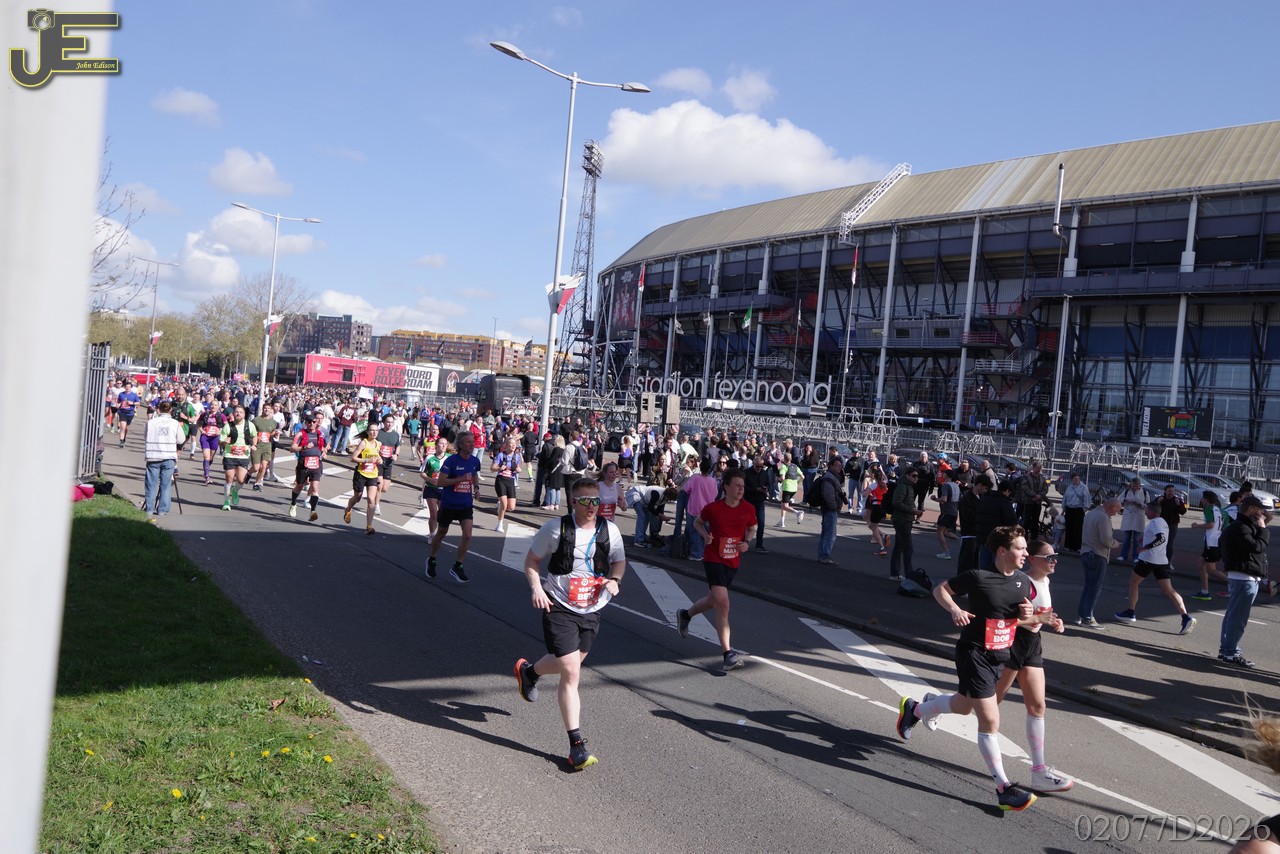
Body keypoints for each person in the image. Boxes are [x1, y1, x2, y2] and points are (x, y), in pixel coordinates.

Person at [895, 525, 1049, 812]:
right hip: (973, 653)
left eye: (1026, 548)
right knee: (990, 719)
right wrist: (954, 609)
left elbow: (1021, 616)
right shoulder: (979, 577)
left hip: (999, 656)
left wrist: (1031, 614)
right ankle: (1004, 789)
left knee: (964, 706)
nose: (1025, 553)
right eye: (1020, 548)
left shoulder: (1022, 582)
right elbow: (940, 589)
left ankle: (915, 709)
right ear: (1002, 551)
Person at [513, 478, 627, 771]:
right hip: (558, 605)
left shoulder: (610, 530)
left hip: (592, 607)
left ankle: (529, 672)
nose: (592, 506)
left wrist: (615, 580)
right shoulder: (555, 529)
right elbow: (531, 561)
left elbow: (618, 561)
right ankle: (577, 745)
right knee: (571, 671)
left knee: (571, 662)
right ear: (573, 502)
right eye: (586, 501)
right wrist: (537, 589)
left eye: (596, 500)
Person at [993, 538, 1074, 794]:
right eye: (1049, 557)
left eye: (1055, 557)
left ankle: (1039, 772)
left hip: (1032, 644)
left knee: (1038, 706)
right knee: (988, 702)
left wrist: (1054, 621)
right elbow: (1003, 621)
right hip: (1012, 644)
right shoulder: (1023, 584)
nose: (1054, 561)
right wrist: (1040, 618)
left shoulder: (1045, 582)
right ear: (1032, 559)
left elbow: (1040, 616)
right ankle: (922, 708)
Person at [677, 470, 758, 671]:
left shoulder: (748, 508)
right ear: (726, 487)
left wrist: (747, 542)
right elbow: (697, 522)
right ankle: (727, 654)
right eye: (737, 485)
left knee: (713, 601)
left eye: (742, 486)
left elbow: (752, 527)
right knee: (724, 604)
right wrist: (706, 536)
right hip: (713, 559)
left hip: (733, 561)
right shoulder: (714, 509)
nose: (741, 489)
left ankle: (685, 615)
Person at [1113, 500, 1197, 635]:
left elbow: (1161, 538)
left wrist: (1145, 547)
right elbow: (1159, 537)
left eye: (1147, 510)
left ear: (1152, 512)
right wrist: (1145, 540)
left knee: (1133, 583)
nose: (1145, 512)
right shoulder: (1162, 522)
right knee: (1169, 590)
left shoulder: (1155, 523)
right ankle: (1186, 617)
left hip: (1149, 559)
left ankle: (1130, 612)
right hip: (1161, 560)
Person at [1217, 495, 1271, 668]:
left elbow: (1222, 543)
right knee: (1238, 618)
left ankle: (1226, 649)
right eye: (1260, 509)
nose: (1262, 512)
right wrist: (1263, 529)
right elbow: (1257, 547)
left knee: (1232, 615)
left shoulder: (1239, 526)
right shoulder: (1241, 527)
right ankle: (1231, 652)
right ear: (1251, 510)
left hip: (1241, 576)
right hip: (1244, 577)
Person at [426, 430, 481, 582]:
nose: (472, 444)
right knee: (441, 532)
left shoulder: (475, 461)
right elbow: (441, 482)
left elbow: (474, 475)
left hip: (465, 505)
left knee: (467, 535)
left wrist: (476, 488)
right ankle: (432, 559)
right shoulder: (451, 461)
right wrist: (460, 478)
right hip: (449, 504)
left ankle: (458, 566)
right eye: (468, 442)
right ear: (461, 445)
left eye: (473, 442)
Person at [1076, 497, 1121, 627]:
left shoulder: (1090, 514)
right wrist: (1116, 544)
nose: (1115, 514)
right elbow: (1106, 540)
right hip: (1097, 554)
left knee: (1088, 586)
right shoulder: (1104, 518)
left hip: (1086, 552)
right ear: (1111, 507)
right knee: (1094, 587)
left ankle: (1082, 614)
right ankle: (1087, 617)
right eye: (1117, 510)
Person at [142, 400, 180, 521]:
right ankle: (162, 510)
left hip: (153, 455)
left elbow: (145, 436)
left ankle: (149, 508)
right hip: (168, 456)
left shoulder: (151, 422)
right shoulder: (175, 423)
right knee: (166, 484)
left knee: (151, 484)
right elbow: (180, 439)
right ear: (170, 410)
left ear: (159, 409)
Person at [343, 422, 383, 536]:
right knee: (357, 497)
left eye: (376, 430)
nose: (374, 432)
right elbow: (353, 458)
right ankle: (348, 509)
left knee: (371, 500)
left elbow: (378, 456)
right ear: (367, 432)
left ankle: (369, 526)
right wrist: (366, 460)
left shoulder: (379, 444)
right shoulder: (363, 443)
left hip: (373, 474)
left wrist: (380, 460)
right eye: (372, 430)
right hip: (361, 473)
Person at [1190, 491, 1230, 600]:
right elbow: (1225, 527)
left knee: (1211, 569)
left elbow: (1211, 524)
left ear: (1206, 499)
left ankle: (1234, 583)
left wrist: (1197, 525)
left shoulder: (1208, 509)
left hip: (1212, 542)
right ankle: (1205, 591)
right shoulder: (1222, 511)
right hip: (1217, 541)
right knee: (1201, 564)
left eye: (1203, 498)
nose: (1201, 500)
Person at [287, 413, 326, 522]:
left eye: (314, 422)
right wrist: (304, 447)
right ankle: (293, 504)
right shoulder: (301, 434)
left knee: (315, 487)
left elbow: (323, 447)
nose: (311, 424)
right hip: (303, 464)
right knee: (299, 486)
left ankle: (313, 511)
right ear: (306, 423)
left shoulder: (320, 434)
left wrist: (324, 451)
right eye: (309, 422)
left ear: (316, 423)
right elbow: (292, 448)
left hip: (316, 464)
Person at [218, 406, 256, 511]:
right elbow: (220, 441)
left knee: (241, 480)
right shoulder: (228, 426)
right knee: (229, 479)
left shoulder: (250, 425)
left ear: (244, 414)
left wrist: (254, 444)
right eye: (236, 412)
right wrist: (224, 442)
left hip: (243, 455)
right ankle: (226, 502)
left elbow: (254, 435)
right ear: (233, 414)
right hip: (230, 455)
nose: (238, 414)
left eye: (241, 412)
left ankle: (235, 491)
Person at [888, 466, 922, 581]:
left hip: (905, 519)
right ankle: (909, 576)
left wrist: (914, 511)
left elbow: (906, 502)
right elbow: (896, 502)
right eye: (913, 476)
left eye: (917, 476)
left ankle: (895, 574)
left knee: (899, 547)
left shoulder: (909, 486)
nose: (916, 478)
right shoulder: (903, 486)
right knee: (908, 548)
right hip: (902, 520)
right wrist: (912, 510)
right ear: (907, 475)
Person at [682, 458, 720, 561]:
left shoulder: (695, 478)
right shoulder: (713, 481)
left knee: (694, 531)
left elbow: (686, 489)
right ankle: (706, 552)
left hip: (694, 508)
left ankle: (697, 553)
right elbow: (716, 494)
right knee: (706, 532)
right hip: (708, 510)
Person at [956, 474, 990, 572]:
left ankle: (969, 580)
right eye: (985, 488)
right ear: (979, 485)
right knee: (966, 563)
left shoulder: (980, 497)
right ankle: (962, 580)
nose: (985, 491)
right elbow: (969, 517)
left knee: (974, 564)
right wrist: (983, 515)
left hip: (976, 534)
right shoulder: (967, 499)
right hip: (969, 534)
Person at [815, 457, 846, 565]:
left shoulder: (833, 477)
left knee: (826, 532)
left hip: (830, 508)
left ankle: (822, 555)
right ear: (831, 466)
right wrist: (834, 506)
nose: (839, 468)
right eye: (837, 465)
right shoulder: (829, 477)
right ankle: (824, 555)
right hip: (830, 509)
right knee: (830, 534)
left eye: (840, 466)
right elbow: (828, 495)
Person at [490, 435, 522, 533]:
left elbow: (519, 468)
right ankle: (499, 524)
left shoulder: (517, 457)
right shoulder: (501, 455)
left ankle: (500, 506)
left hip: (511, 481)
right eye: (510, 444)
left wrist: (518, 470)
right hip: (501, 480)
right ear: (506, 445)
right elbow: (492, 468)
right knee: (504, 505)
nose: (512, 446)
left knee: (511, 507)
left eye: (514, 444)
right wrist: (499, 468)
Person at [419, 437, 449, 537]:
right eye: (441, 443)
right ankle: (432, 534)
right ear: (436, 445)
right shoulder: (429, 458)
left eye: (445, 444)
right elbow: (422, 473)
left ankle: (439, 534)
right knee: (433, 513)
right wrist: (430, 479)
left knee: (442, 514)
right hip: (431, 488)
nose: (444, 446)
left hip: (444, 490)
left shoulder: (450, 458)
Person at [743, 451, 770, 553]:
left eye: (761, 466)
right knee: (746, 523)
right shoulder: (746, 473)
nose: (759, 468)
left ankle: (759, 545)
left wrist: (766, 488)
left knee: (761, 523)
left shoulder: (764, 473)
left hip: (760, 501)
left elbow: (768, 484)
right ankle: (743, 542)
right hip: (749, 501)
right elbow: (744, 487)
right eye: (757, 466)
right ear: (753, 464)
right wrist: (755, 489)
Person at [1015, 460, 1050, 540]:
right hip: (1028, 502)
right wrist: (1034, 495)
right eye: (1038, 468)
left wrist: (1039, 496)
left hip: (1038, 503)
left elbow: (1045, 488)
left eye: (1040, 468)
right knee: (1026, 520)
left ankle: (1034, 537)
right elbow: (1024, 487)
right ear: (1033, 468)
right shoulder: (1026, 477)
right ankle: (1025, 536)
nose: (1039, 470)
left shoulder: (1042, 478)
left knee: (1035, 520)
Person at [249, 405, 280, 491]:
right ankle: (249, 473)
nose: (267, 410)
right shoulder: (256, 420)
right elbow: (249, 432)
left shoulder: (274, 422)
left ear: (271, 410)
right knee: (256, 467)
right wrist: (255, 437)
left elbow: (273, 433)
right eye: (265, 408)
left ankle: (257, 483)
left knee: (263, 466)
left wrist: (275, 434)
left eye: (268, 408)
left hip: (267, 446)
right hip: (257, 446)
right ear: (262, 409)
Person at [1117, 477, 1147, 564]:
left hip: (1138, 517)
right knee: (1126, 539)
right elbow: (1118, 499)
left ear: (1139, 485)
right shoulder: (1127, 491)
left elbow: (1148, 505)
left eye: (1137, 486)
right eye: (1133, 486)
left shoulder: (1144, 492)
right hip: (1128, 517)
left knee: (1137, 540)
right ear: (1131, 485)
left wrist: (1140, 504)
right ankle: (1123, 555)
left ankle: (1136, 556)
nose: (1135, 487)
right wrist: (1125, 500)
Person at [1158, 484, 1188, 569]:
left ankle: (1168, 562)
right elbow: (1153, 508)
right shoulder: (1161, 499)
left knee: (1170, 543)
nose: (1171, 493)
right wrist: (1158, 502)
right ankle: (1158, 560)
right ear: (1165, 491)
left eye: (1173, 491)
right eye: (1169, 491)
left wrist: (1179, 505)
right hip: (1161, 523)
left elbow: (1183, 512)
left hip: (1172, 524)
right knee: (1160, 542)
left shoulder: (1177, 500)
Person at [933, 468, 960, 559]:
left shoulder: (946, 485)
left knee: (939, 531)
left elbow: (944, 499)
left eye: (944, 473)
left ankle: (946, 552)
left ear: (946, 475)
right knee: (945, 531)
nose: (943, 475)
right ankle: (960, 540)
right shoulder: (956, 486)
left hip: (947, 511)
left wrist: (935, 499)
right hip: (954, 512)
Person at [864, 466, 891, 556]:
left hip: (876, 507)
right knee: (872, 525)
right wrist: (882, 470)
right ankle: (884, 536)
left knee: (874, 528)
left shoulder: (874, 485)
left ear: (874, 477)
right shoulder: (884, 483)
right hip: (883, 507)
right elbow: (886, 478)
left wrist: (864, 491)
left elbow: (864, 494)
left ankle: (882, 547)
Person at [1060, 474, 1090, 553]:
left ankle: (1077, 547)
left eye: (1078, 478)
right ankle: (1068, 545)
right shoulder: (1069, 487)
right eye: (1075, 479)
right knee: (1069, 528)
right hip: (1069, 509)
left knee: (1078, 529)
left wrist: (1084, 509)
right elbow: (1065, 498)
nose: (1076, 480)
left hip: (1078, 509)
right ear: (1071, 480)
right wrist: (1063, 509)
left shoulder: (1084, 487)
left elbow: (1087, 499)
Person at [775, 453, 805, 528]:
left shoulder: (784, 467)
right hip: (794, 488)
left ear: (784, 459)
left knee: (784, 506)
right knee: (783, 504)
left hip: (787, 488)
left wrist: (777, 479)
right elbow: (802, 477)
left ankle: (798, 513)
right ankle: (782, 522)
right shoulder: (795, 466)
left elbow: (782, 478)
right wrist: (797, 482)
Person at [542, 435, 567, 510]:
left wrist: (547, 466)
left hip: (554, 470)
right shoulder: (564, 450)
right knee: (558, 488)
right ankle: (557, 504)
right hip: (561, 470)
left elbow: (552, 460)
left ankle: (551, 504)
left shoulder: (556, 450)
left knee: (552, 487)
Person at [115, 380, 141, 446]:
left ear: (131, 387)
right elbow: (118, 401)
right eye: (126, 387)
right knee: (123, 427)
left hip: (130, 413)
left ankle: (124, 438)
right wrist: (117, 405)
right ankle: (121, 442)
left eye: (129, 387)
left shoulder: (134, 395)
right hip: (122, 412)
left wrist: (132, 403)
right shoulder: (121, 394)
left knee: (126, 428)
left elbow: (138, 403)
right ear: (124, 387)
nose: (127, 388)